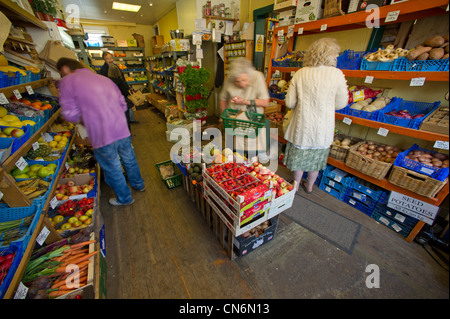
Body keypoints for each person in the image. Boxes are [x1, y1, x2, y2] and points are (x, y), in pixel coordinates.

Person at [56, 57, 145, 206]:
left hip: (102, 132)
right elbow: (123, 104)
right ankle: (139, 184)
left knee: (113, 166)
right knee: (129, 158)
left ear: (64, 69)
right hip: (121, 128)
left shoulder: (67, 82)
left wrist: (86, 117)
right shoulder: (103, 79)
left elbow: (69, 114)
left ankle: (125, 198)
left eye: (61, 72)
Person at [283, 38, 348, 194]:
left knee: (299, 160)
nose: (336, 58)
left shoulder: (301, 73)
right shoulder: (337, 74)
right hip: (323, 129)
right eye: (335, 55)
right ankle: (310, 186)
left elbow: (290, 102)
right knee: (316, 160)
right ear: (328, 55)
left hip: (302, 126)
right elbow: (341, 103)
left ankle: (296, 185)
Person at [219, 58, 270, 156]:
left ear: (249, 74)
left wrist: (245, 102)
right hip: (233, 121)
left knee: (251, 152)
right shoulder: (230, 77)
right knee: (234, 153)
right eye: (237, 81)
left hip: (252, 122)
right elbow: (223, 98)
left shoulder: (257, 77)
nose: (241, 84)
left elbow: (265, 102)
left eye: (244, 80)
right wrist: (223, 115)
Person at [99, 51, 135, 130]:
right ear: (104, 60)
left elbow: (122, 79)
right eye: (108, 59)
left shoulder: (115, 67)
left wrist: (128, 87)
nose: (110, 60)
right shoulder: (103, 70)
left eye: (111, 58)